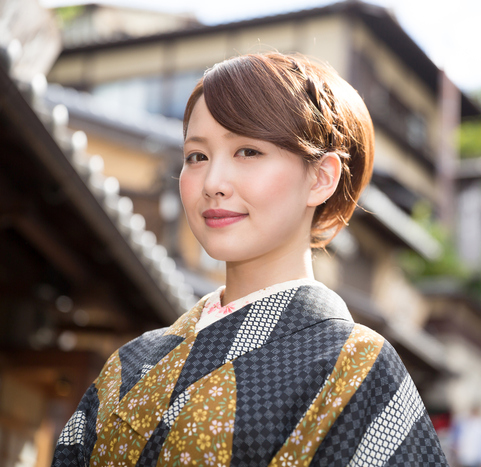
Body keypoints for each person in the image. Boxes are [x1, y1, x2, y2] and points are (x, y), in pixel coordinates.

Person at [51, 52, 448, 467]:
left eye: (248, 151)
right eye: (196, 156)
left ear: (321, 178)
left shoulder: (356, 367)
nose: (213, 183)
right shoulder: (130, 362)